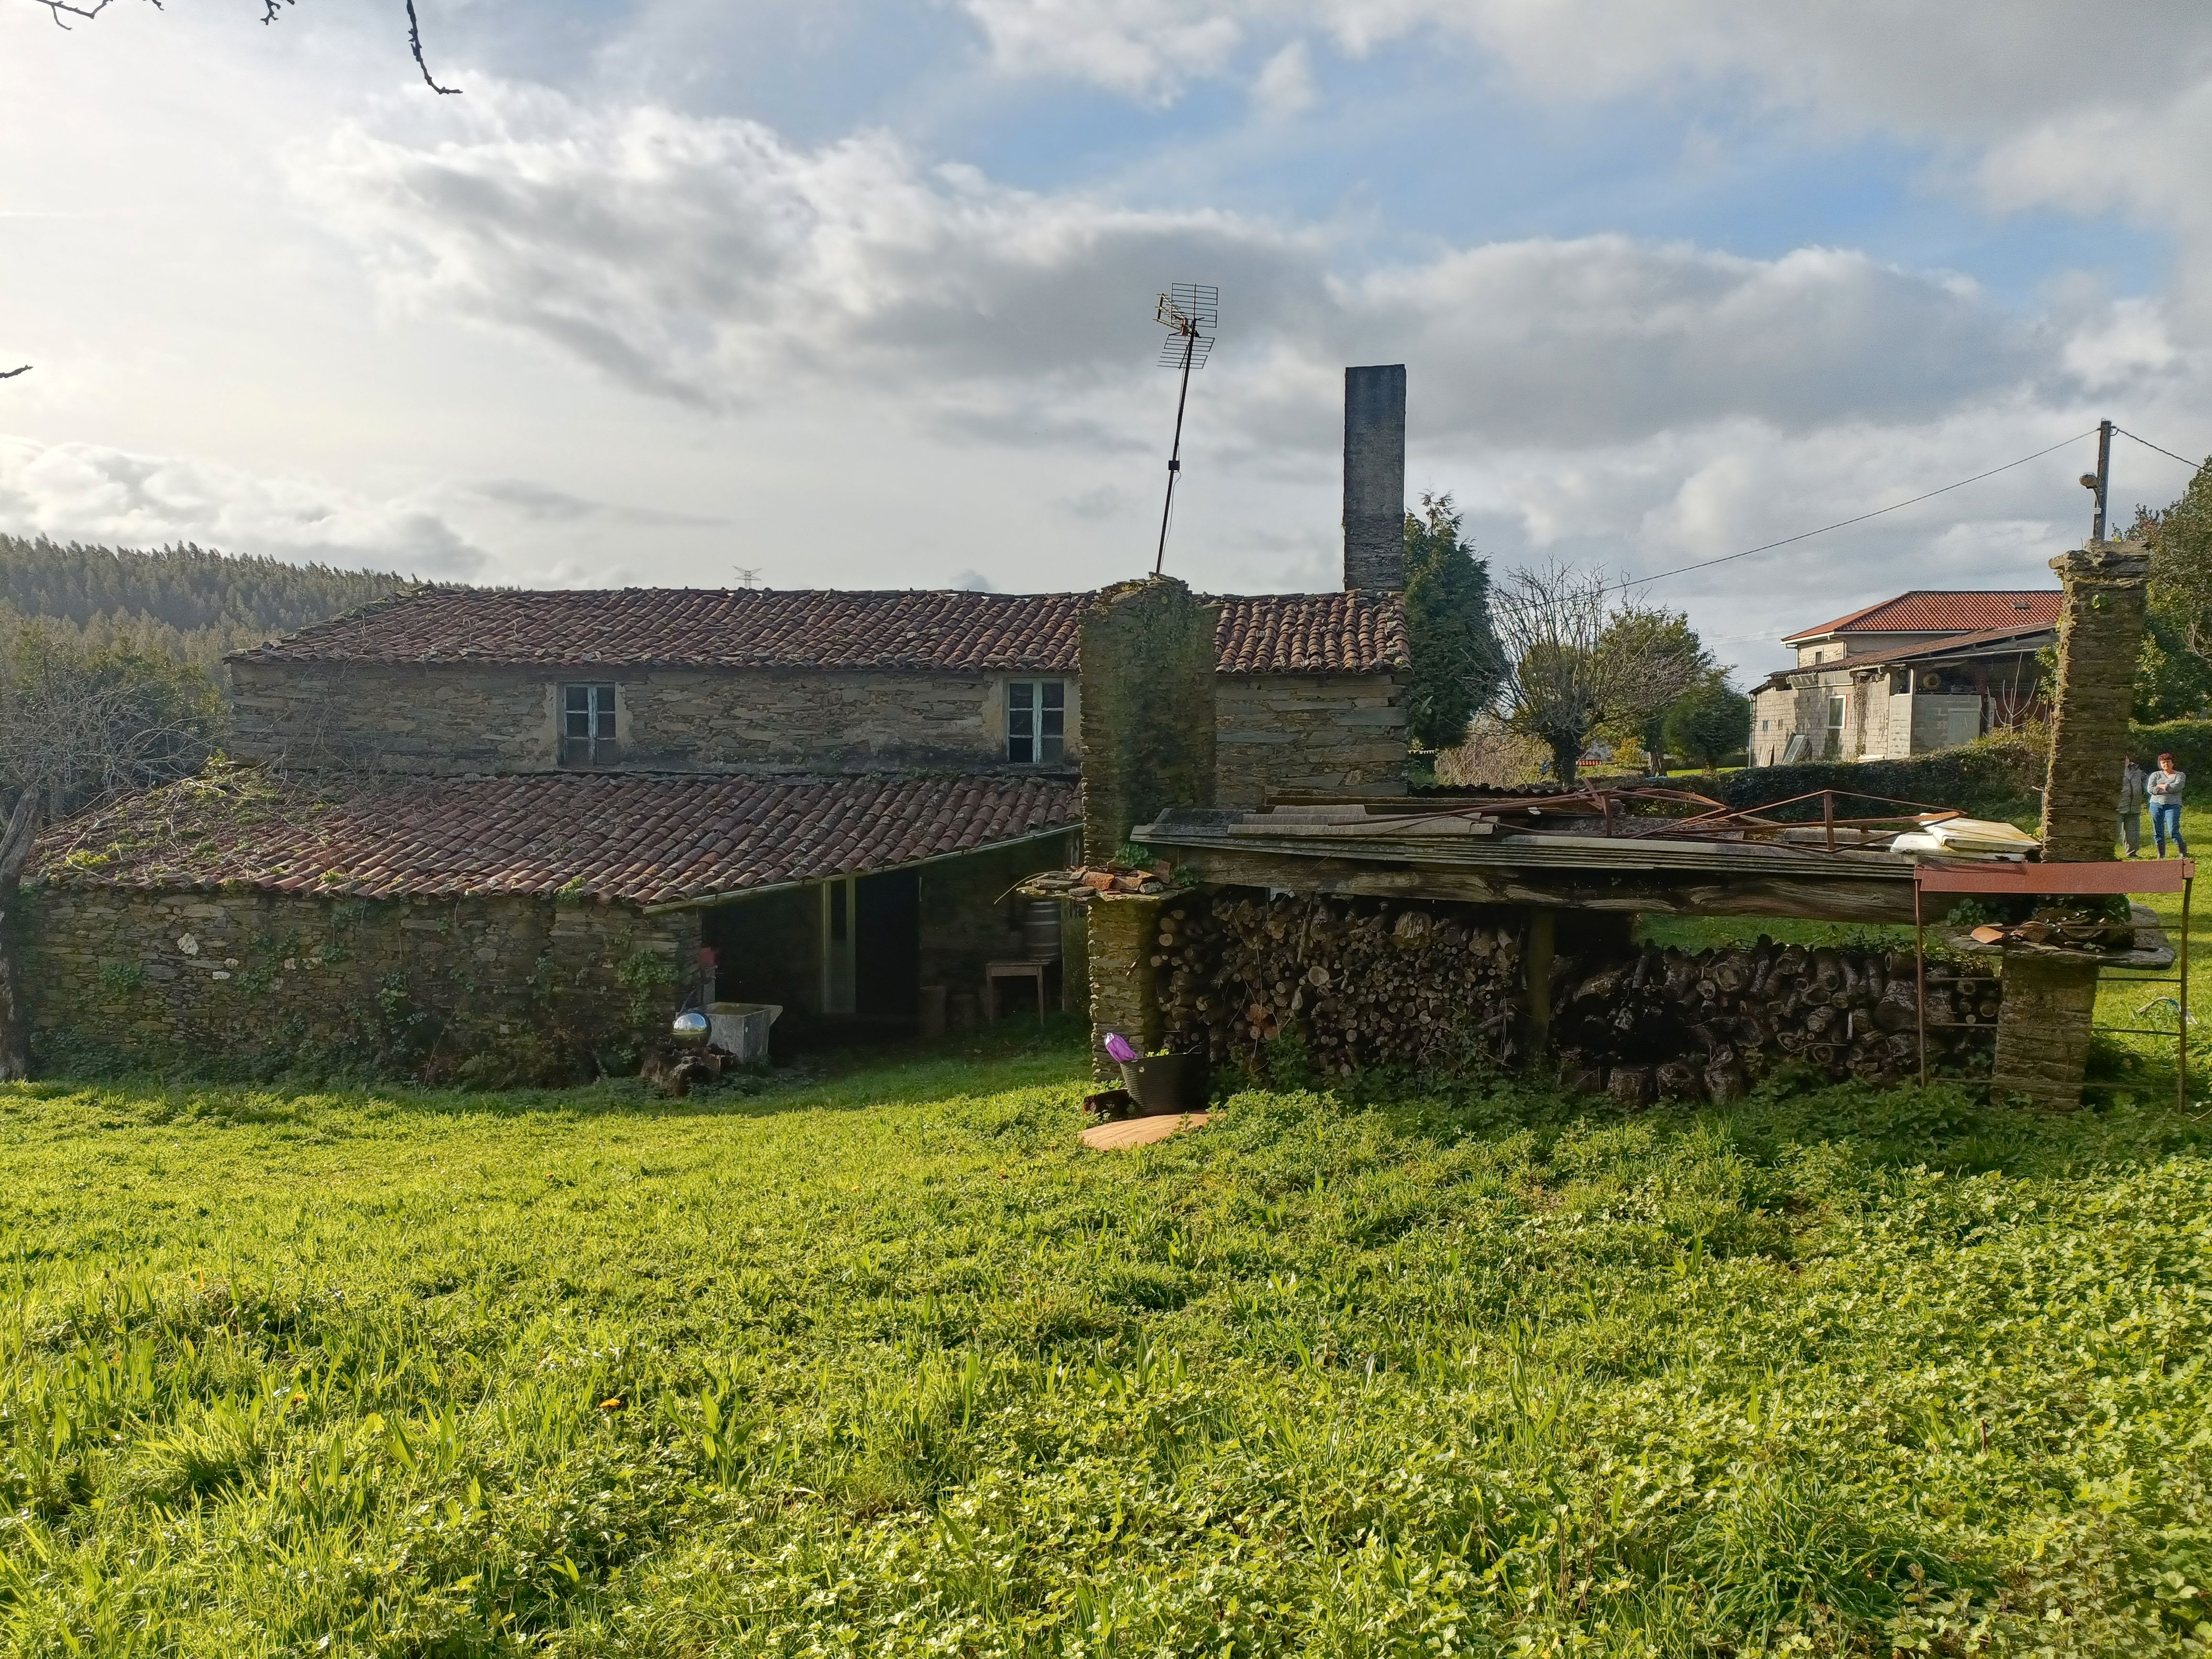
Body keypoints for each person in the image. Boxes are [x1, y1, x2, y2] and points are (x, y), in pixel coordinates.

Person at [2147, 752, 2188, 858]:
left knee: (2173, 830)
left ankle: (2182, 852)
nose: (2166, 764)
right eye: (2163, 762)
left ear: (2173, 763)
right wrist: (2168, 788)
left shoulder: (2180, 775)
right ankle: (2161, 854)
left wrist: (2162, 786)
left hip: (2173, 805)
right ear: (2160, 764)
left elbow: (2177, 788)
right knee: (2158, 830)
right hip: (2156, 805)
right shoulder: (2155, 775)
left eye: (2168, 762)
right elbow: (2151, 789)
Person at [2119, 755, 2146, 857]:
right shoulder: (2114, 771)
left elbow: (2146, 783)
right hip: (2118, 807)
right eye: (2123, 759)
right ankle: (2108, 853)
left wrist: (2142, 792)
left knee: (2133, 833)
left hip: (2134, 807)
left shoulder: (2138, 772)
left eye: (2126, 758)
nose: (2125, 761)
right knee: (2114, 833)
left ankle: (2132, 854)